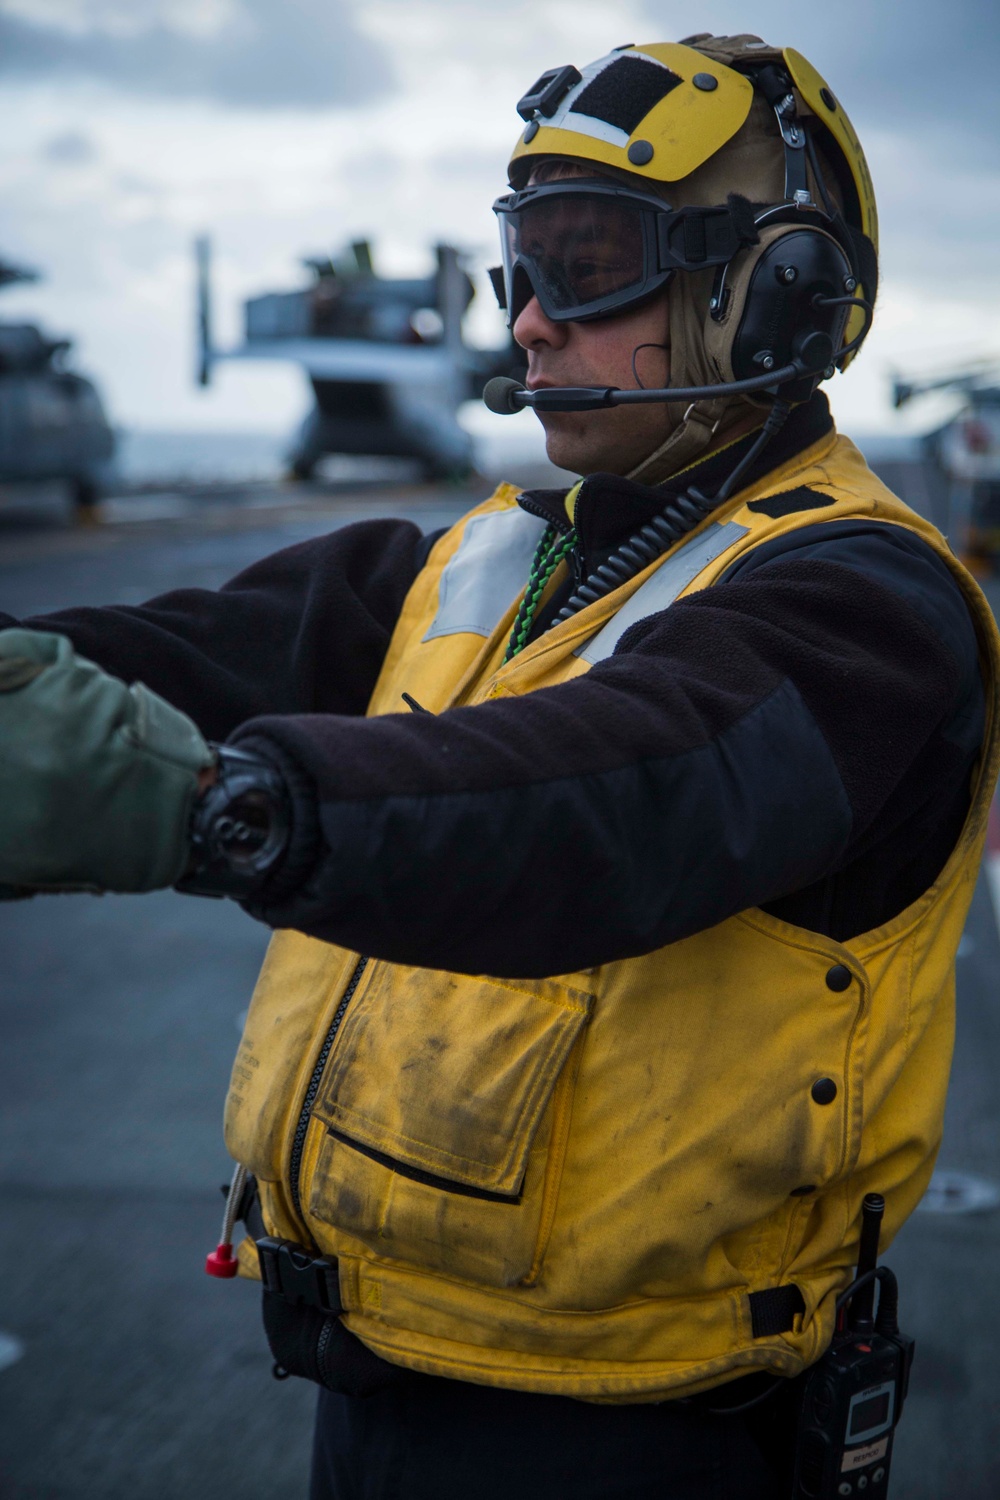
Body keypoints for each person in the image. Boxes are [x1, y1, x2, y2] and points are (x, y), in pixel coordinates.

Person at [1, 33, 997, 1500]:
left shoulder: (868, 609)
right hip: (373, 1373)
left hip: (643, 1434)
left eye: (589, 263)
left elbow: (616, 794)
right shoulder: (485, 557)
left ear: (777, 286)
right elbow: (155, 650)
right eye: (519, 269)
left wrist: (225, 808)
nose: (530, 324)